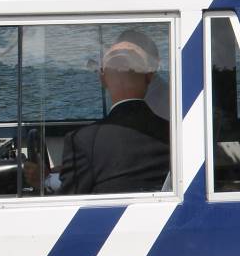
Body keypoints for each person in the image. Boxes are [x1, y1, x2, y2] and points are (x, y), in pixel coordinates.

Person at [54, 37, 170, 194]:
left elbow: (68, 203)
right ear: (149, 77)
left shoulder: (82, 141)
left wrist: (45, 183)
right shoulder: (174, 135)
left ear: (102, 80)